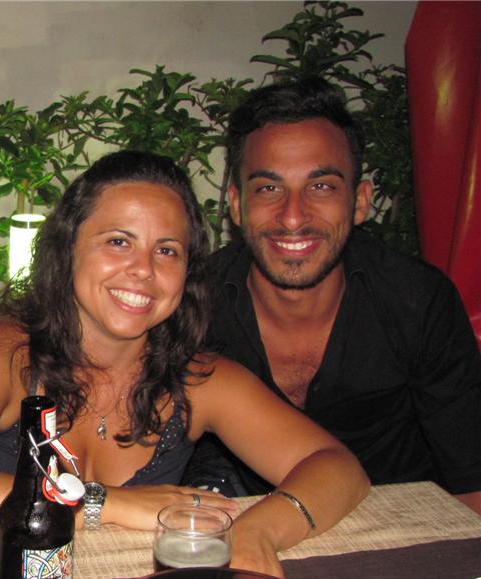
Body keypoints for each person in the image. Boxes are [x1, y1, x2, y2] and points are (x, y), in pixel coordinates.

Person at [0, 150, 369, 577]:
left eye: (167, 251)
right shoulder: (3, 355)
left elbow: (338, 469)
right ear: (68, 248)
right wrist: (106, 504)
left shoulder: (200, 380)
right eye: (118, 241)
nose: (144, 269)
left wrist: (256, 531)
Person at [185, 77, 481, 514]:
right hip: (246, 522)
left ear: (359, 202)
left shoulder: (417, 303)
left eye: (321, 186)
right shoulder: (193, 304)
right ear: (235, 204)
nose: (292, 217)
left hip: (394, 527)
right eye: (268, 188)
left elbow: (471, 482)